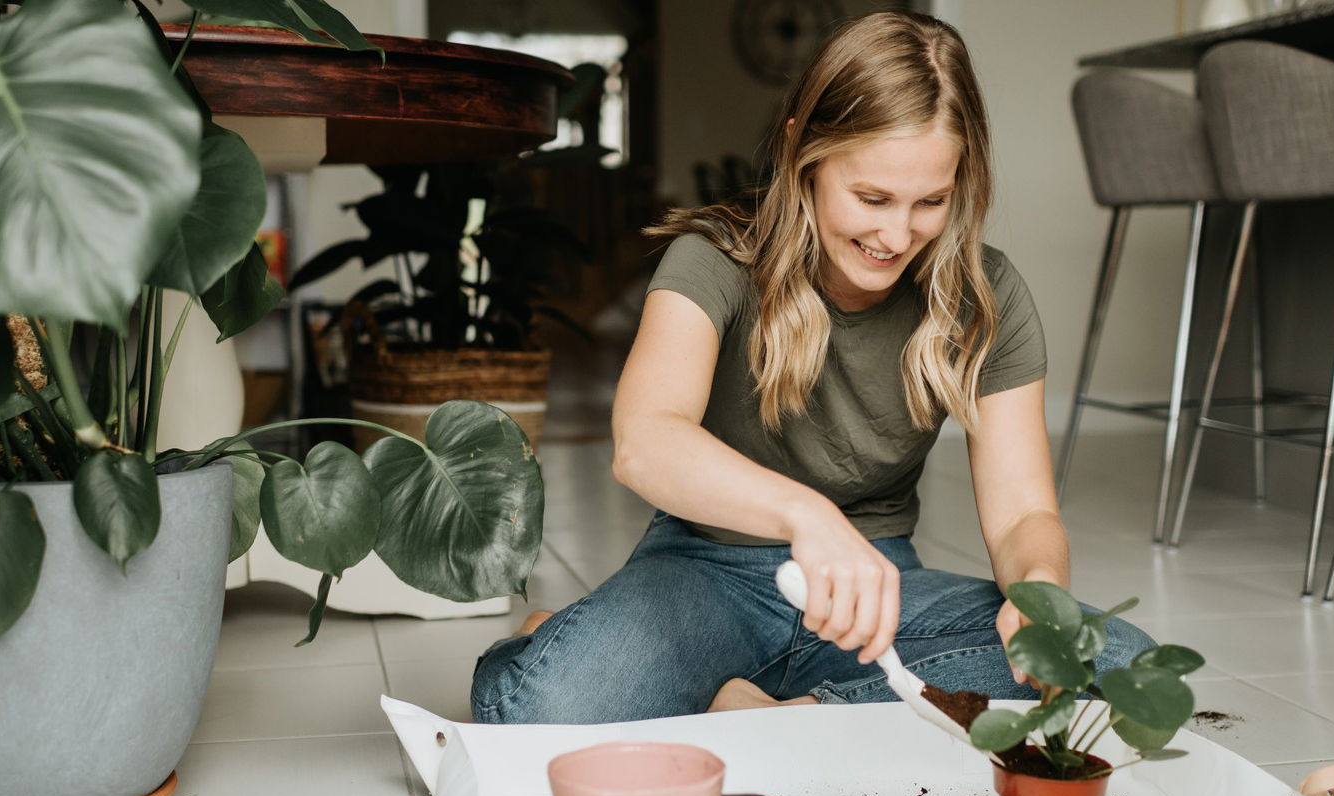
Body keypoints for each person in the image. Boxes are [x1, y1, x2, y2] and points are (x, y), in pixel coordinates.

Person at [470, 9, 1154, 725]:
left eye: (931, 202)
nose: (897, 235)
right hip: (707, 573)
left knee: (1120, 667)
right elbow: (645, 440)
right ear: (804, 151)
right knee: (542, 705)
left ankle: (777, 711)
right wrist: (807, 516)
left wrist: (1036, 594)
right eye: (872, 198)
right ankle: (557, 642)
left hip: (874, 595)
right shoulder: (715, 258)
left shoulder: (988, 294)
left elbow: (1023, 513)